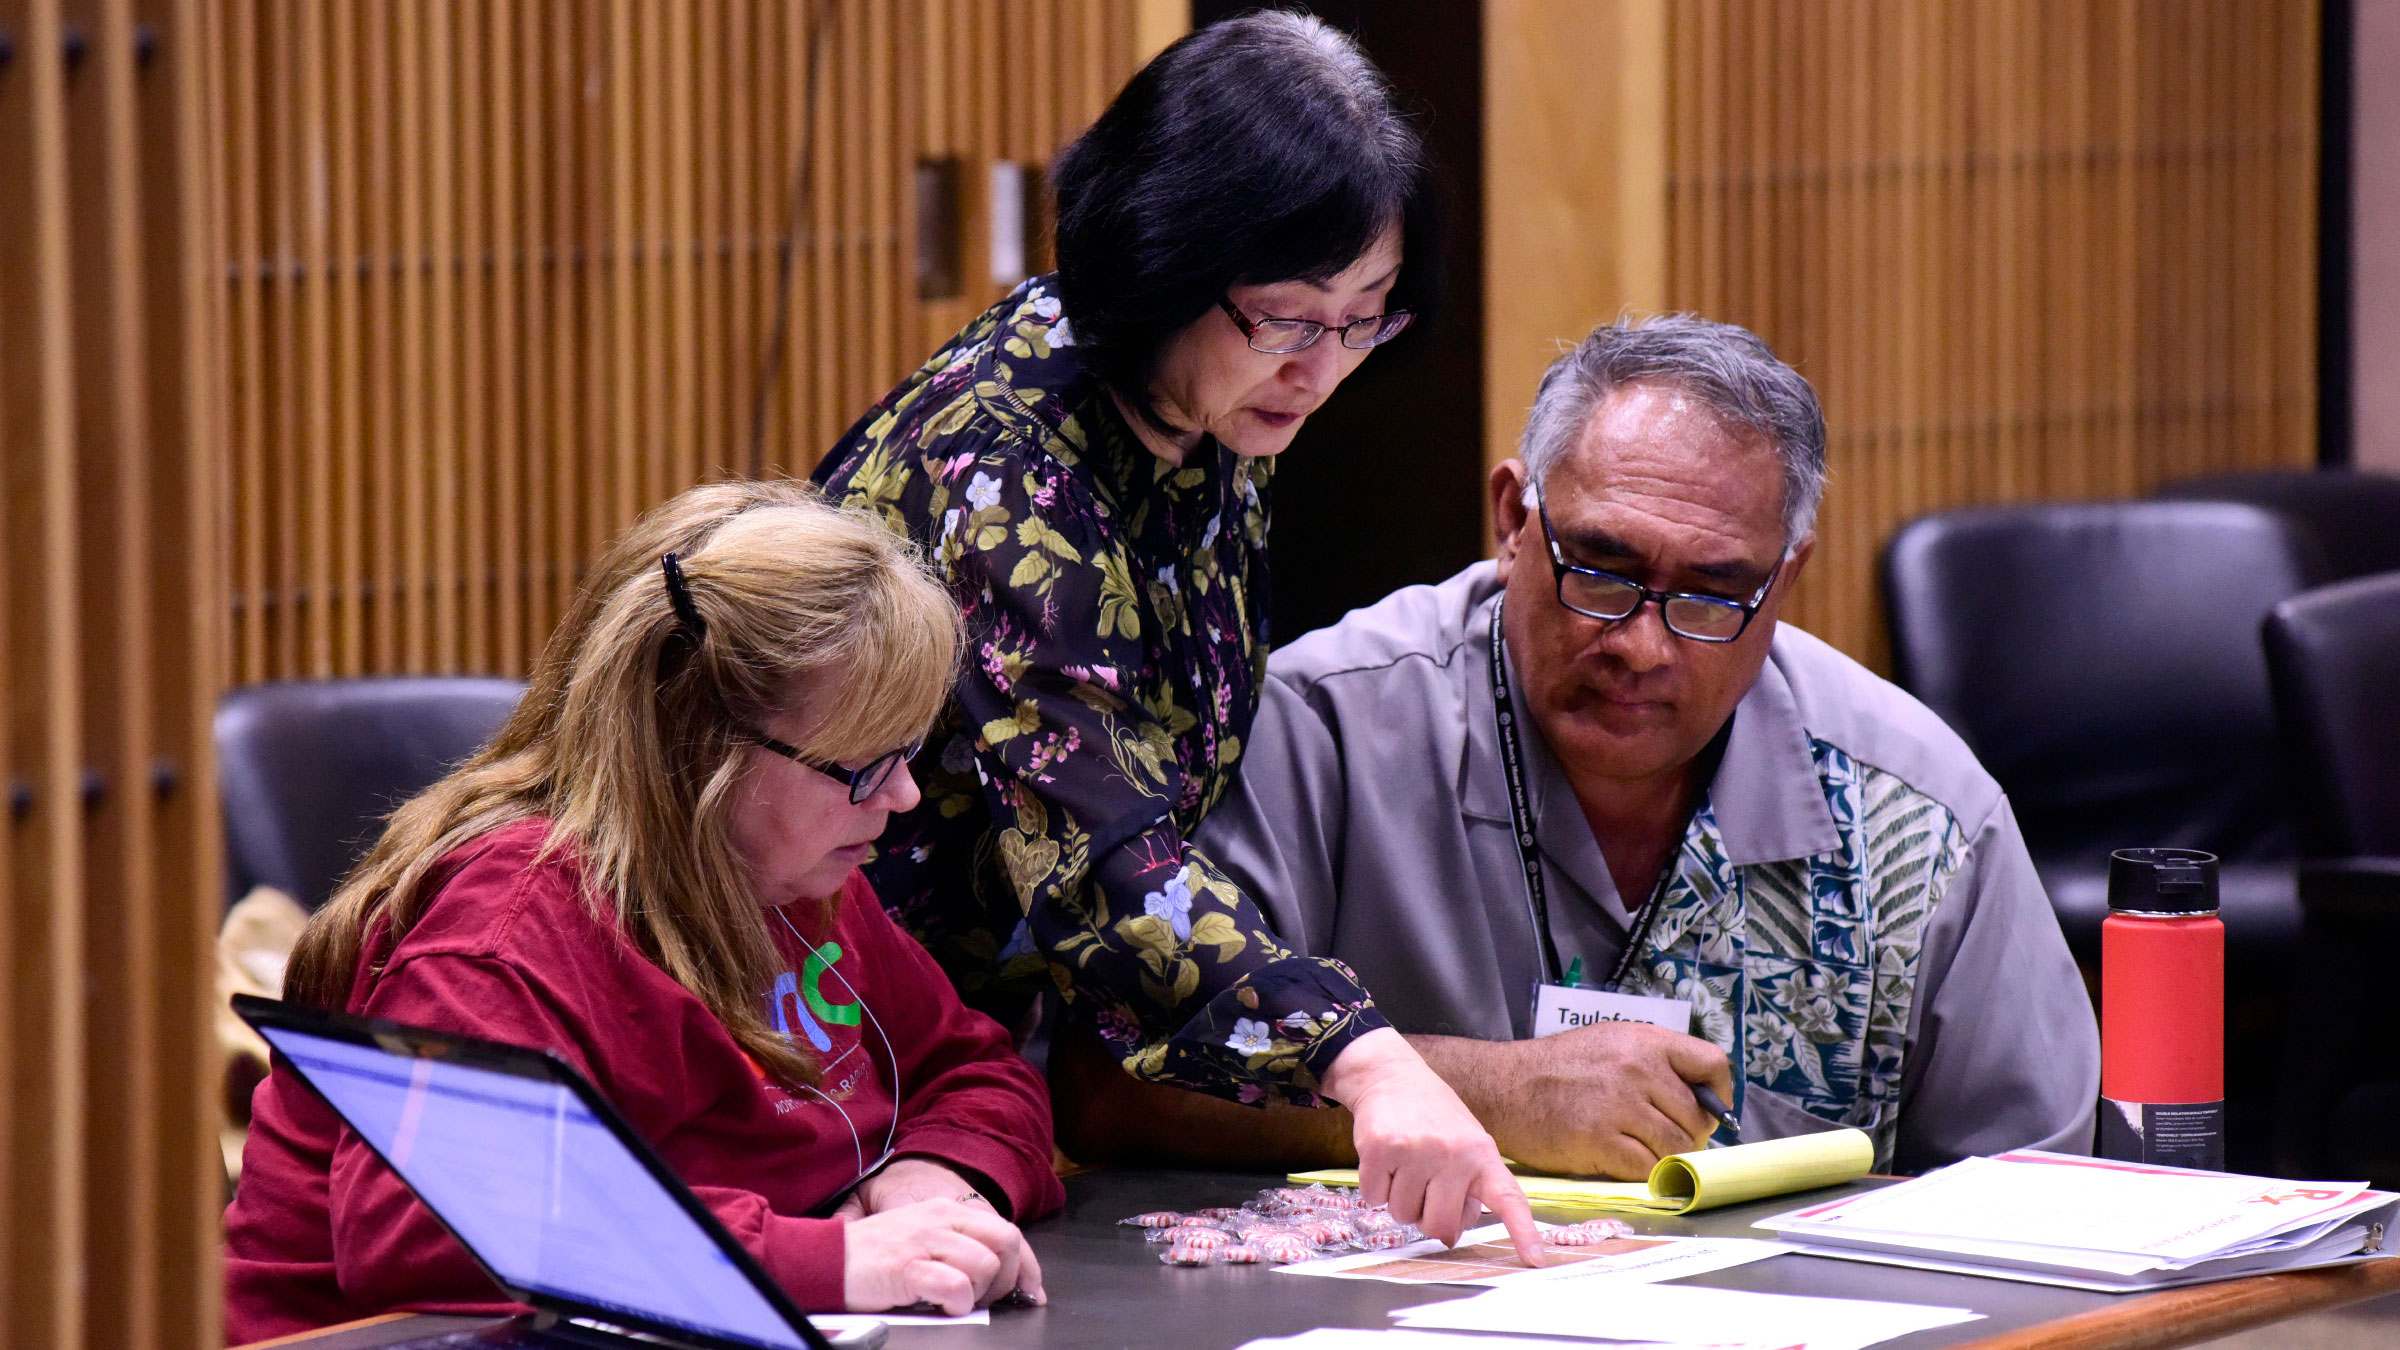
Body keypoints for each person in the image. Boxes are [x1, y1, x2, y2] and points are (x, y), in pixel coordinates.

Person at [811, 12, 1540, 1259]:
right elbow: (1098, 853)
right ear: (1164, 253)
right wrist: (1361, 1055)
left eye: (1366, 318)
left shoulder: (1207, 415)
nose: (1322, 367)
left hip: (945, 1060)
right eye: (1289, 318)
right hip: (806, 1038)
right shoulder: (1005, 464)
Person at [1158, 315, 2099, 1178]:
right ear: (1513, 523)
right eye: (1603, 572)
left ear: (1784, 581)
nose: (1643, 647)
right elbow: (1119, 1085)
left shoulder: (1919, 815)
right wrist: (1494, 1093)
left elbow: (2037, 1197)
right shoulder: (1318, 732)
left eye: (1712, 594)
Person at [224, 482, 1065, 1344]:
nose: (902, 795)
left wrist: (934, 1177)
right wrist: (840, 1260)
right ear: (700, 748)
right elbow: (432, 1232)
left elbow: (976, 1070)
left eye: (907, 753)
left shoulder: (791, 875)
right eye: (860, 768)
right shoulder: (504, 931)